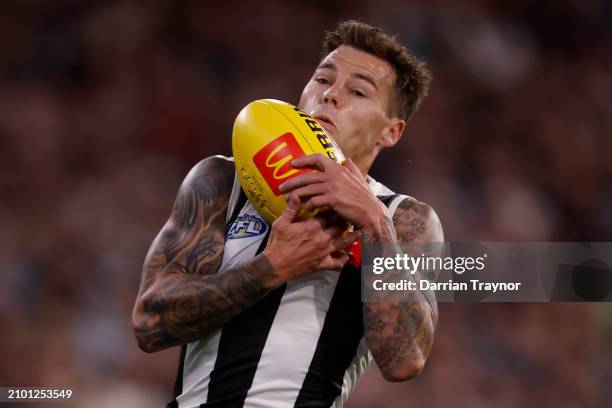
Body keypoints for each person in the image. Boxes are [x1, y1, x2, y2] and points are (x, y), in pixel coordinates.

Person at [132, 20, 444, 408]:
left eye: (358, 91)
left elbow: (405, 360)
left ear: (391, 132)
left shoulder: (401, 218)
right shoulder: (222, 180)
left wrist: (376, 226)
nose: (330, 95)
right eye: (322, 79)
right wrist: (270, 268)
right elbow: (149, 324)